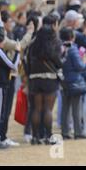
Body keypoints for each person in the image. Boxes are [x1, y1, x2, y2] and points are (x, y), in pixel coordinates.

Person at [25, 14, 62, 145]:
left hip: (34, 78)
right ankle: (48, 137)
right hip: (49, 78)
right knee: (48, 109)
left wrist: (29, 75)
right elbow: (58, 61)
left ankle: (35, 137)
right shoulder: (55, 42)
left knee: (36, 108)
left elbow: (27, 60)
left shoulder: (34, 43)